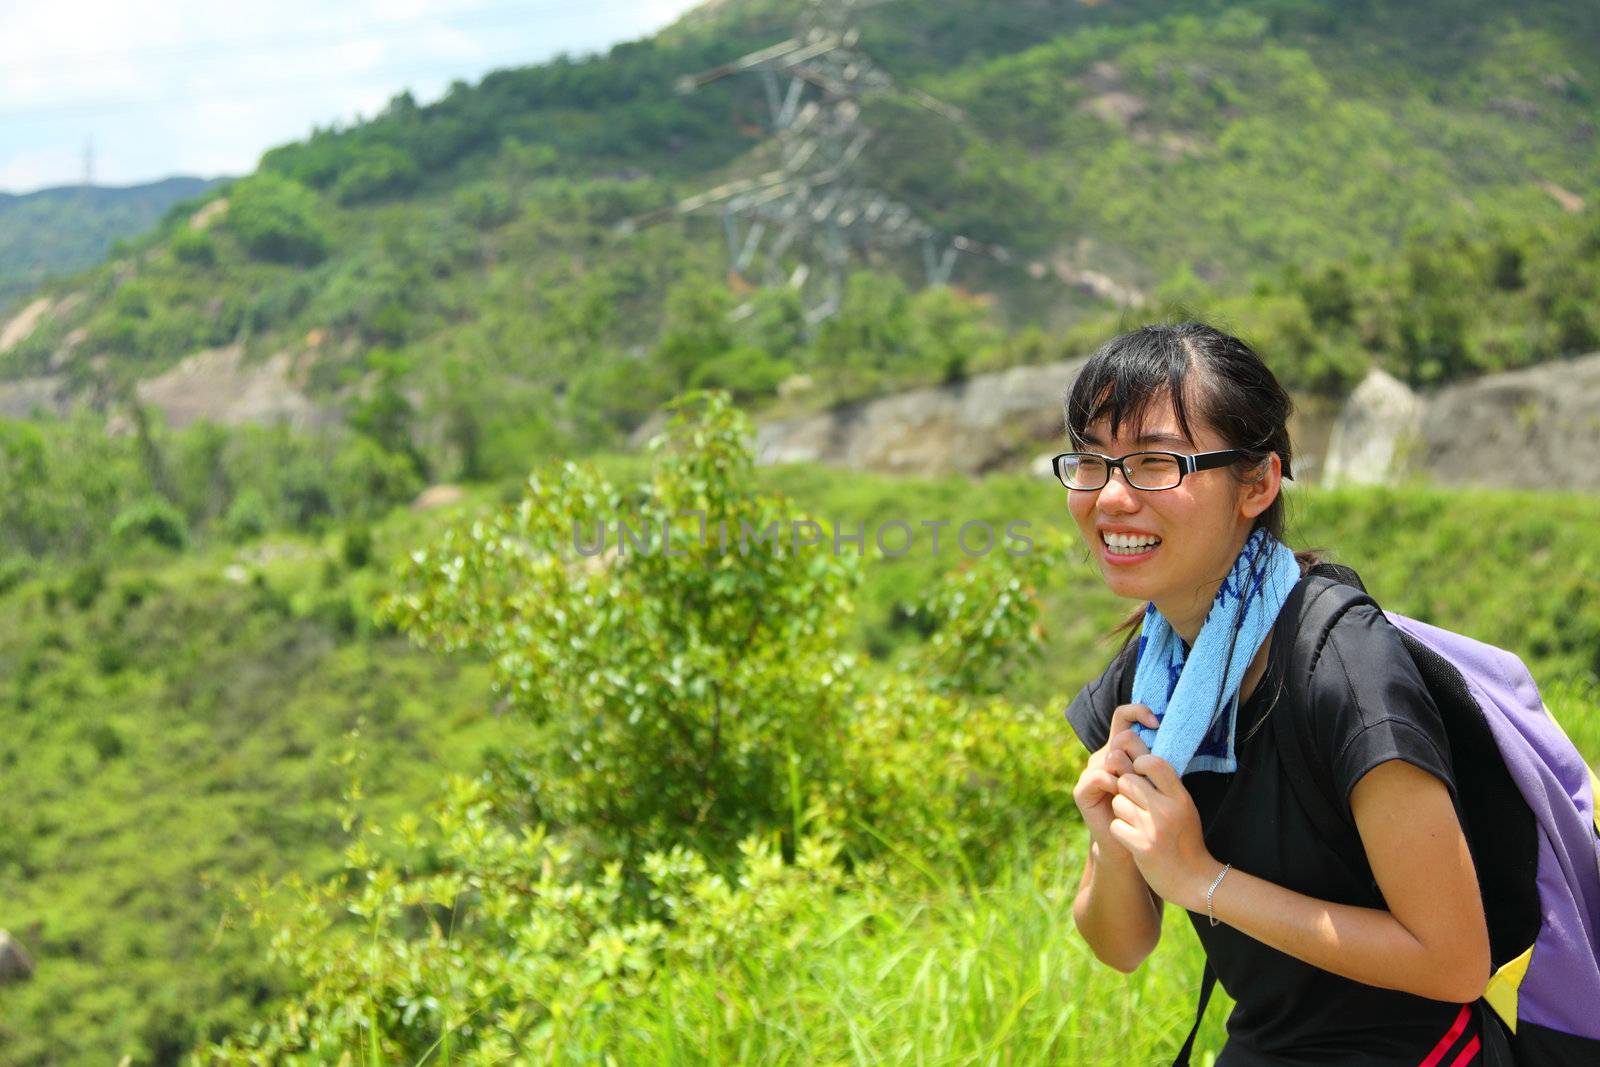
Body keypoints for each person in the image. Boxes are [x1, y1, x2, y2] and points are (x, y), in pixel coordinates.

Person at [1060, 323, 1494, 1066]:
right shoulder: (1152, 675)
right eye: (1093, 462)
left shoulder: (1344, 670)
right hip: (1269, 1044)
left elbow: (1454, 961)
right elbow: (1123, 946)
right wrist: (1112, 835)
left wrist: (1205, 879)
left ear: (1258, 483)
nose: (1112, 497)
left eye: (1156, 463)